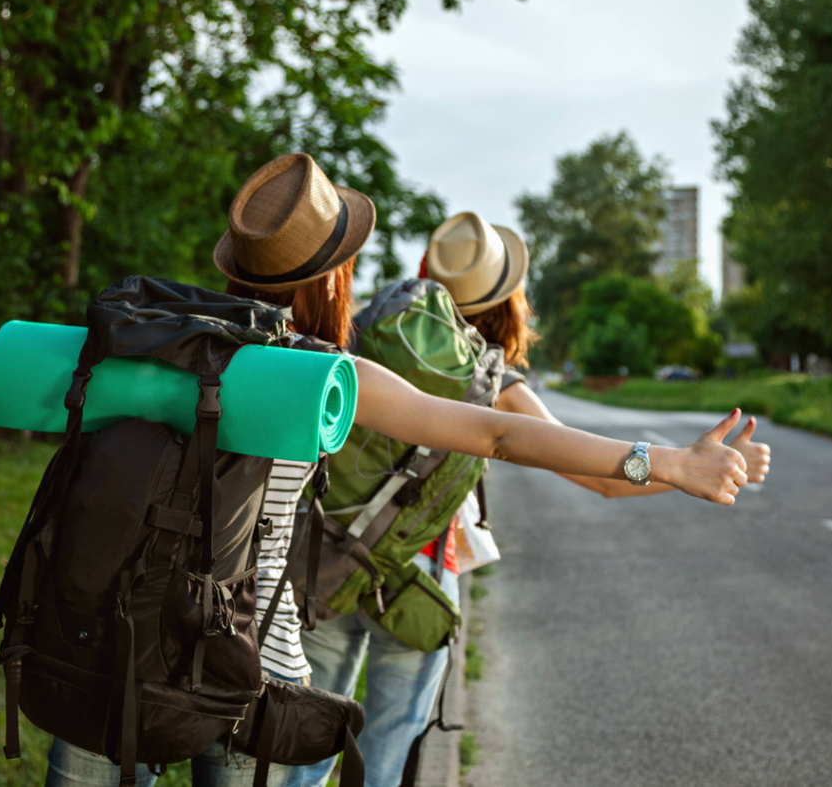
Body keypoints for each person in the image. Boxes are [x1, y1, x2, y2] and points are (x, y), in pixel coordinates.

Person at [46, 154, 749, 786]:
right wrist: (671, 462)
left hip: (105, 638)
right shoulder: (323, 371)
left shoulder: (144, 340)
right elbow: (499, 435)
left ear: (234, 263)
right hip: (247, 663)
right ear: (334, 273)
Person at [295, 211, 772, 787]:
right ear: (506, 302)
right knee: (389, 742)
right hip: (418, 574)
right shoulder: (495, 383)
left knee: (309, 740)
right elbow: (603, 478)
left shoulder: (355, 334)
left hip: (327, 558)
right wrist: (686, 469)